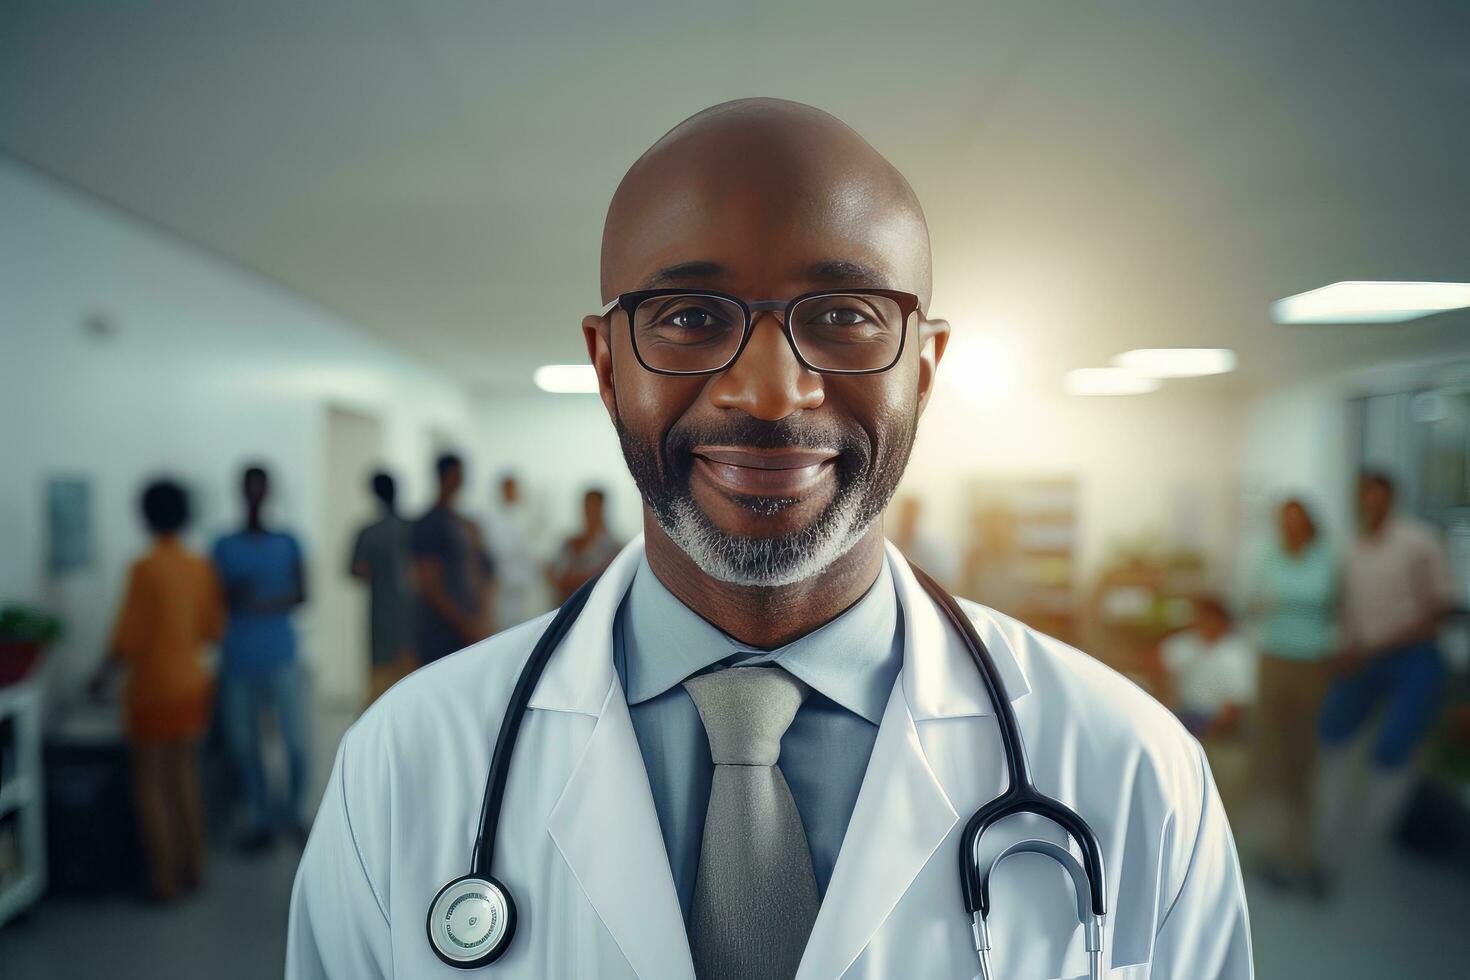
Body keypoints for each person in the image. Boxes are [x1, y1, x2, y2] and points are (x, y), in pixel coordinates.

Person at [289, 99, 1250, 979]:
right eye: (691, 317)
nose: (769, 391)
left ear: (926, 365)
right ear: (606, 363)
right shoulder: (407, 764)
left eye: (841, 316)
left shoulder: (1131, 768)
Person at [1315, 470, 1456, 865]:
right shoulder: (1354, 548)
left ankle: (1379, 838)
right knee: (1332, 731)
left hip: (1414, 655)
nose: (1369, 501)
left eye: (1376, 494)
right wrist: (1345, 646)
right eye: (1363, 494)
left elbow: (1438, 611)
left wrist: (1376, 645)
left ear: (1390, 498)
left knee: (1392, 748)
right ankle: (1334, 830)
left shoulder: (1419, 541)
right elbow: (1349, 607)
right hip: (1362, 656)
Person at [102, 479, 222, 900]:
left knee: (151, 784)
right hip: (192, 683)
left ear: (147, 515)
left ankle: (164, 880)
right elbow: (211, 629)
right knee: (185, 777)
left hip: (153, 688)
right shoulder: (199, 566)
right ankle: (194, 869)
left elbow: (126, 639)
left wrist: (100, 676)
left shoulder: (145, 568)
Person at [213, 464, 310, 851]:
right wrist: (235, 597)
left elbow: (303, 593)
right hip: (238, 656)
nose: (255, 495)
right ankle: (259, 816)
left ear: (269, 493)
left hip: (280, 653)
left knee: (295, 740)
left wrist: (260, 601)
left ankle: (293, 813)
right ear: (241, 492)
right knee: (244, 743)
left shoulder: (288, 541)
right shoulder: (223, 545)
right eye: (249, 488)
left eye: (261, 488)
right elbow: (213, 598)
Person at [1250, 498, 1337, 893]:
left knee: (1303, 757)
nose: (1292, 528)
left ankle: (1301, 851)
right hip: (1274, 659)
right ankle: (1268, 850)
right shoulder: (1268, 557)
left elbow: (1335, 607)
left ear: (1309, 525)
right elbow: (1256, 603)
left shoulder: (1326, 558)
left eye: (1298, 522)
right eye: (1285, 522)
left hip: (1311, 663)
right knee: (1270, 753)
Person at [411, 453, 495, 664]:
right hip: (442, 631)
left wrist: (481, 618)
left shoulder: (465, 525)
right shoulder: (430, 524)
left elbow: (485, 572)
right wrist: (463, 622)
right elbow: (428, 582)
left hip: (470, 626)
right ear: (446, 476)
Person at [349, 471, 416, 704]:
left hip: (388, 615)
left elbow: (357, 569)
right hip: (409, 615)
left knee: (384, 678)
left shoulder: (370, 533)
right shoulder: (411, 528)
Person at [1161, 596, 1256, 737]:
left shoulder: (1238, 652)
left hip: (1215, 720)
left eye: (1210, 619)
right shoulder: (1181, 644)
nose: (1205, 623)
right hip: (1180, 713)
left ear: (1222, 622)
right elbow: (1162, 678)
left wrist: (1211, 731)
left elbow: (1236, 704)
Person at [483, 473, 545, 627]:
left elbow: (534, 550)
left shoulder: (526, 515)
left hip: (526, 587)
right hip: (504, 586)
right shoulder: (492, 519)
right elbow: (497, 549)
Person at [546, 487, 622, 604]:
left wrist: (575, 581)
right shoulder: (570, 543)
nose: (589, 512)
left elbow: (604, 578)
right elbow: (552, 572)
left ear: (602, 508)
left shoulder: (614, 547)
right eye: (587, 507)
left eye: (593, 507)